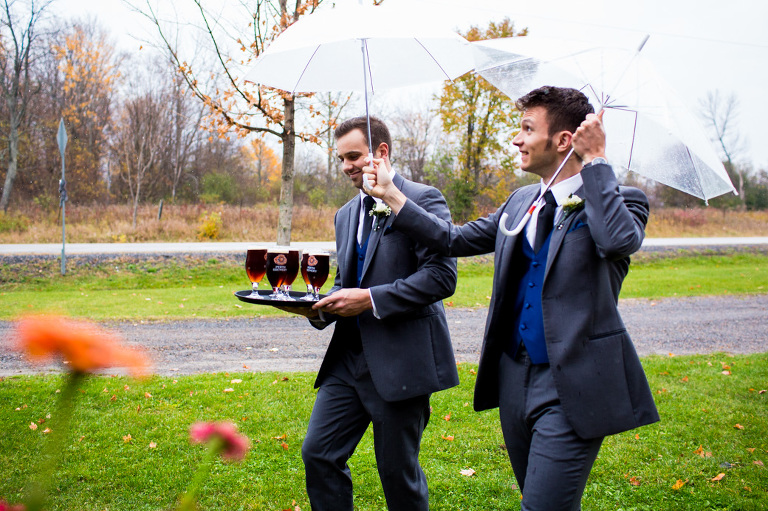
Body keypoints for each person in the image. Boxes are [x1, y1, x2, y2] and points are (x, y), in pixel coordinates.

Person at [362, 86, 660, 510]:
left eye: (525, 129)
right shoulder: (522, 200)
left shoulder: (621, 200)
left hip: (574, 382)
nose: (516, 140)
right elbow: (453, 238)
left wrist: (596, 162)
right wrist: (391, 195)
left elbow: (616, 242)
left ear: (563, 141)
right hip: (515, 379)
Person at [292, 116, 459, 510]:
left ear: (380, 152)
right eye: (341, 158)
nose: (347, 165)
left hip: (401, 359)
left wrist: (369, 299)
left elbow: (440, 277)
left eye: (354, 156)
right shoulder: (346, 213)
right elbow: (345, 280)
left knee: (397, 473)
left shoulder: (424, 199)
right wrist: (316, 308)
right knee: (319, 454)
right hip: (346, 363)